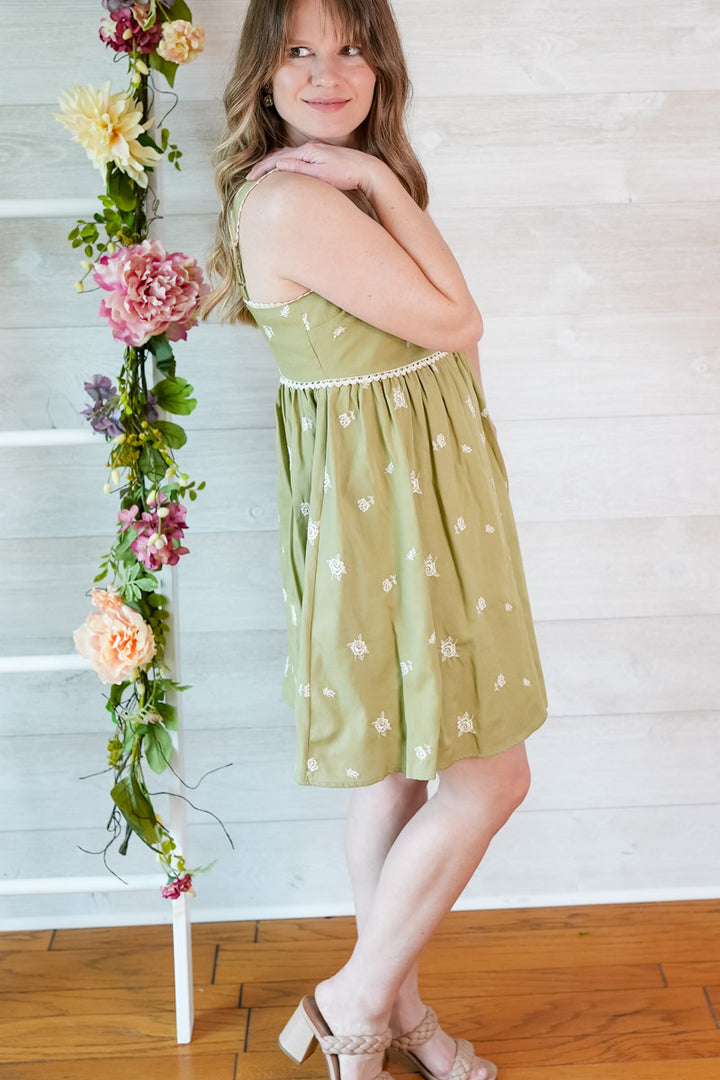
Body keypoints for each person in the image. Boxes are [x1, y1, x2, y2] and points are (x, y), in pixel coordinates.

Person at [202, 1, 548, 1077]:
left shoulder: (326, 183)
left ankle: (385, 1023)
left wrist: (378, 180)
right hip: (388, 510)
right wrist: (387, 185)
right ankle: (353, 997)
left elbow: (442, 346)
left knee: (399, 775)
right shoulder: (294, 200)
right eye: (299, 51)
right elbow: (456, 320)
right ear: (261, 76)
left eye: (351, 48)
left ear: (381, 64)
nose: (328, 72)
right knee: (491, 779)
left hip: (420, 496)